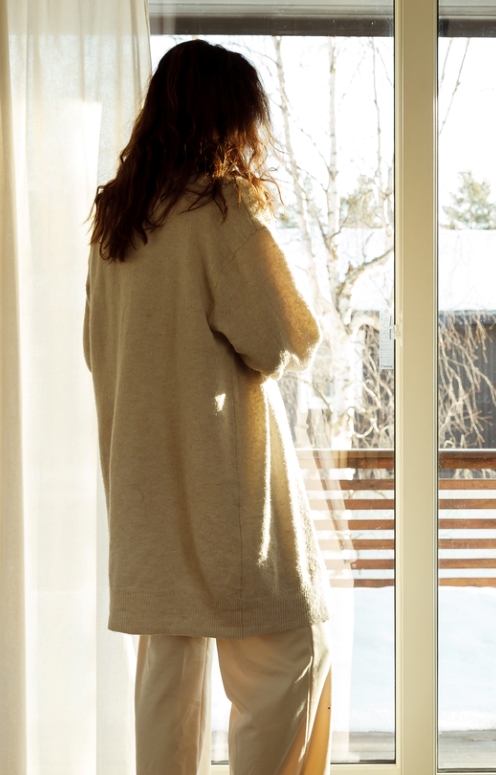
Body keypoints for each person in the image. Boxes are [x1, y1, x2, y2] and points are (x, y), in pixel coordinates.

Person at [84, 39, 331, 775]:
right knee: (288, 648)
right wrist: (255, 221)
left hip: (141, 481)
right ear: (225, 119)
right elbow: (281, 338)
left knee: (169, 671)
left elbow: (98, 347)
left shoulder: (116, 222)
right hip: (223, 481)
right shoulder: (220, 213)